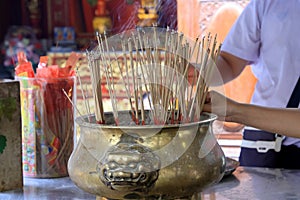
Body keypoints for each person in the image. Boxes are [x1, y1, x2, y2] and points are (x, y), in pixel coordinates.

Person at [212, 0, 300, 168]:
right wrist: (199, 71)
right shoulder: (267, 4)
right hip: (263, 141)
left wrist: (234, 111)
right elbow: (230, 62)